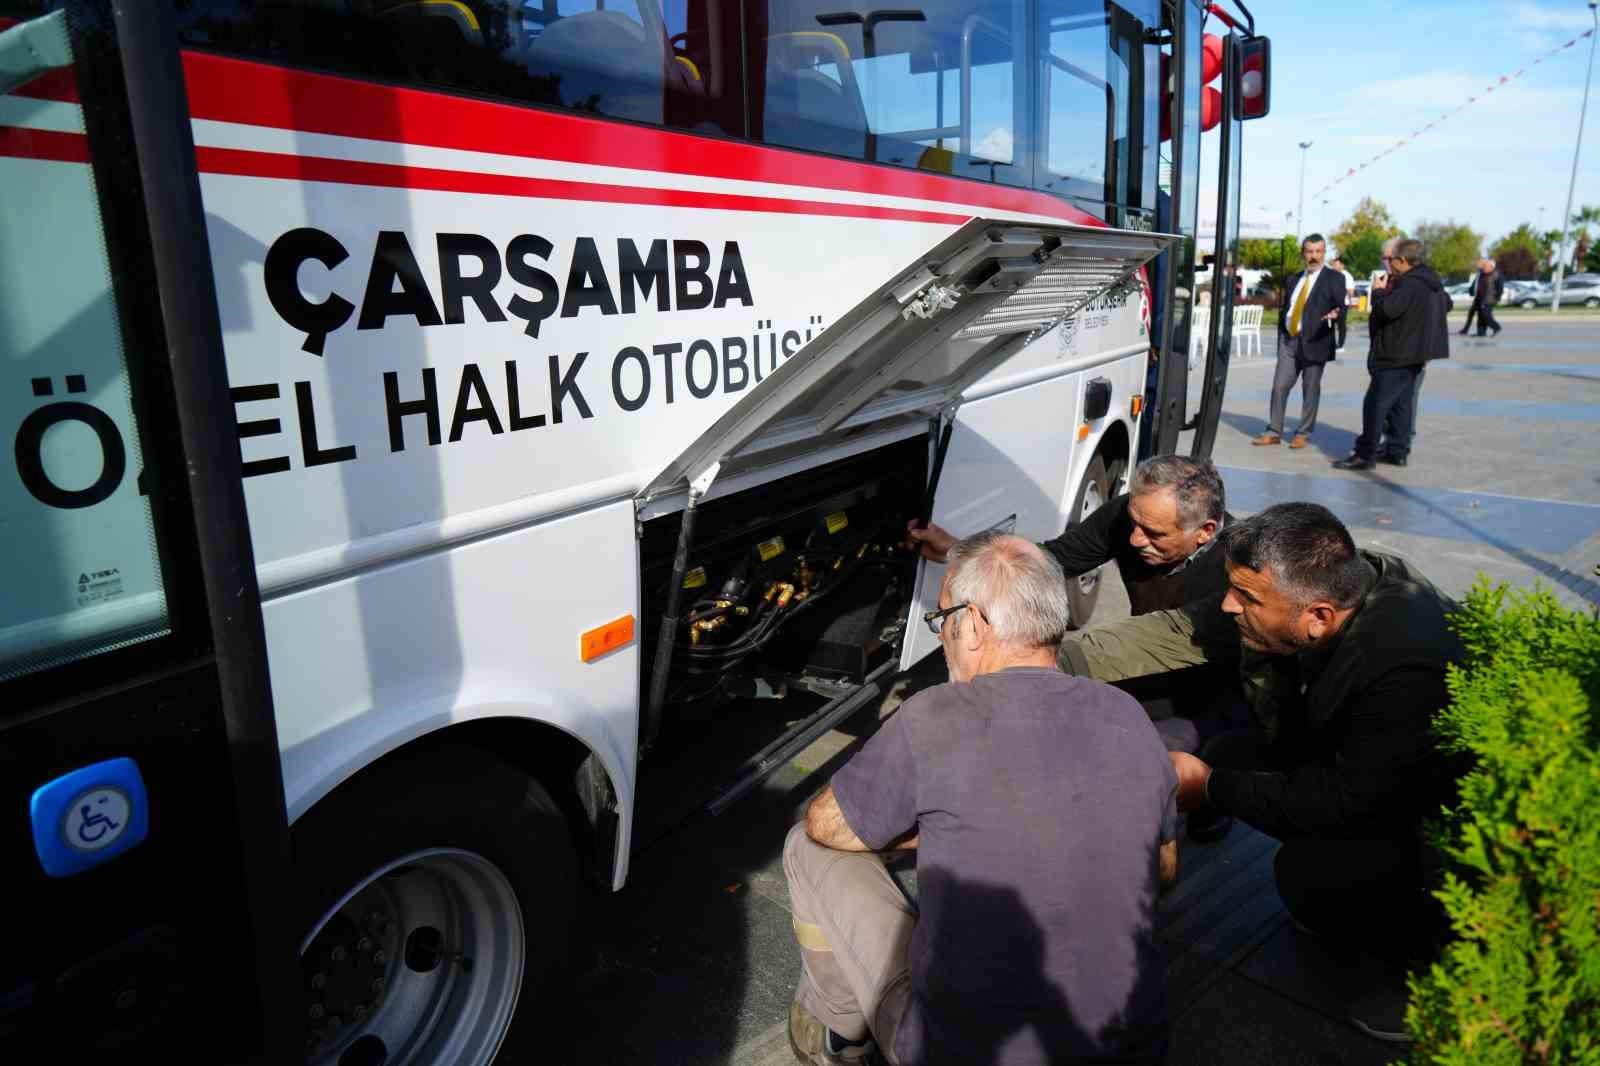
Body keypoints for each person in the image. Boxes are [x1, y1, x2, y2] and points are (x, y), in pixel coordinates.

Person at [1058, 503, 1465, 1042]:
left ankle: (1429, 978)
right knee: (1244, 780)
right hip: (1345, 768)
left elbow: (1350, 799)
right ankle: (1337, 888)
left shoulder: (1405, 668)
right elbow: (1181, 629)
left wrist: (1210, 787)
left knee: (1348, 867)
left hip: (1431, 830)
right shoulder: (1328, 585)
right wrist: (1048, 658)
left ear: (1317, 618)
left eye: (1246, 598)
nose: (1229, 605)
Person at [783, 532, 1177, 1066]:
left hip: (963, 1052)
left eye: (941, 619)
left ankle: (837, 1032)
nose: (943, 634)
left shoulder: (936, 715)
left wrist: (927, 826)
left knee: (806, 847)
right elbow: (1164, 867)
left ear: (971, 623)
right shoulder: (1128, 714)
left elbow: (827, 825)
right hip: (1129, 1046)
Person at [908, 455, 1236, 752]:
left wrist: (1029, 665)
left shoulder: (1238, 574)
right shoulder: (1130, 518)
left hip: (1206, 696)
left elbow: (1157, 640)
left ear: (1205, 531)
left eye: (1153, 533)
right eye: (1134, 523)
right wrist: (962, 551)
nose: (1135, 539)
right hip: (1145, 671)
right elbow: (1051, 559)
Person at [1334, 238, 1449, 471]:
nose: (1388, 263)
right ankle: (1397, 450)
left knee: (1376, 404)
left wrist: (1376, 293)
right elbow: (1444, 305)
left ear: (1403, 260)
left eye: (1391, 258)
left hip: (1397, 354)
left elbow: (1388, 309)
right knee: (1401, 406)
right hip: (1414, 354)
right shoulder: (1430, 281)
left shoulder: (1410, 284)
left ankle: (1365, 454)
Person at [1254, 234, 1346, 450]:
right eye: (1309, 252)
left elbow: (1341, 306)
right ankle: (1274, 431)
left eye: (1318, 252)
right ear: (1303, 253)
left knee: (1310, 387)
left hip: (1316, 341)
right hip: (1289, 341)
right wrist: (1282, 334)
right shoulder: (1293, 278)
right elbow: (1287, 307)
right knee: (1279, 386)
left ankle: (1303, 433)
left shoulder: (1335, 279)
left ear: (1324, 253)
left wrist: (1336, 314)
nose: (1313, 256)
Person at [1464, 257, 1504, 337]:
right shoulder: (1482, 274)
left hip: (1489, 299)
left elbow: (1500, 287)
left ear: (1491, 267)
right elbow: (1475, 284)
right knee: (1481, 316)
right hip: (1480, 298)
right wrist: (1471, 291)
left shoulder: (1496, 274)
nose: (1484, 267)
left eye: (1486, 266)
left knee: (1486, 315)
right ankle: (1481, 333)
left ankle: (1496, 327)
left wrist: (1497, 297)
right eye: (1484, 266)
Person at [1329, 255, 1356, 353]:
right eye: (1333, 264)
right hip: (1331, 304)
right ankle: (1330, 344)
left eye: (1335, 264)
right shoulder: (1331, 275)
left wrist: (1349, 301)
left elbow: (1351, 291)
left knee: (1341, 325)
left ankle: (1340, 345)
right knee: (1330, 324)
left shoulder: (1347, 276)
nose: (1333, 266)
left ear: (1341, 265)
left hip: (1343, 304)